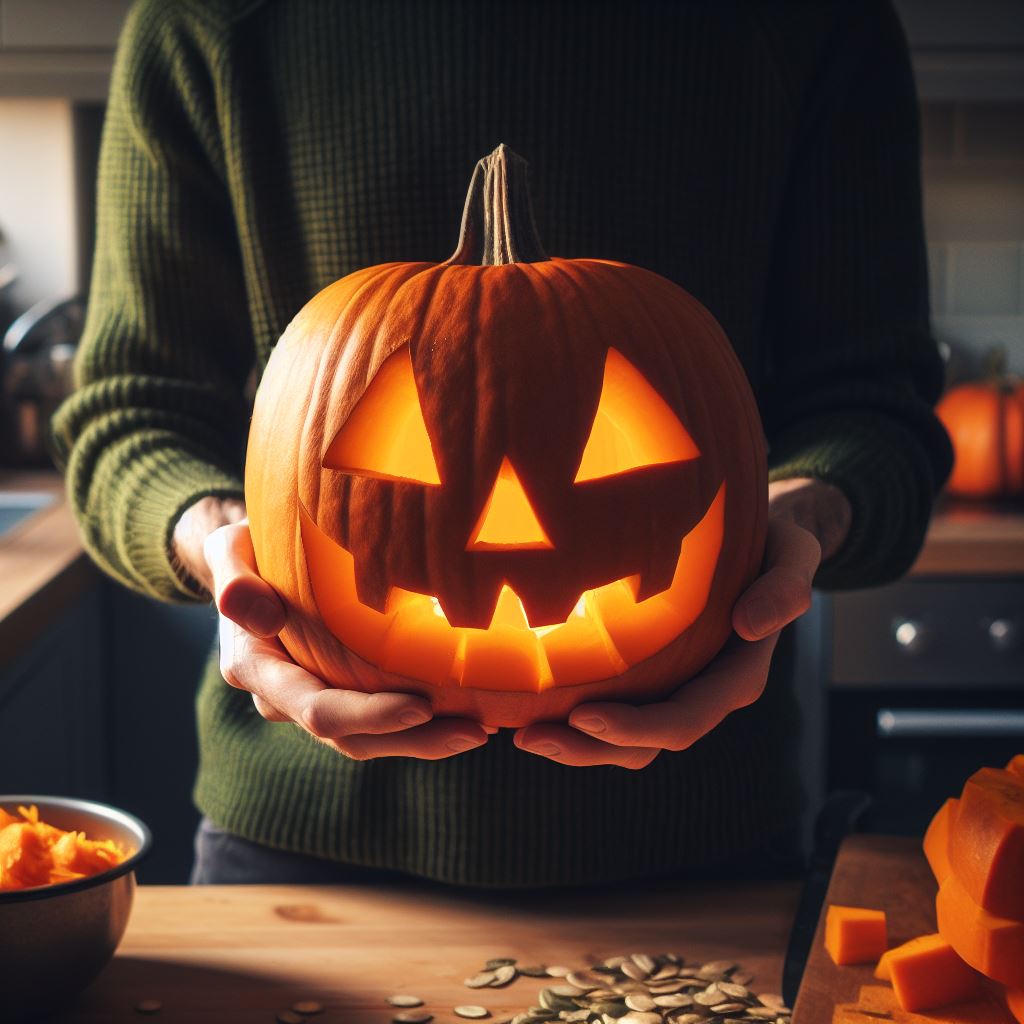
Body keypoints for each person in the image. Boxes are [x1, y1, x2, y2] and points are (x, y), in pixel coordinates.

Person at [52, 0, 952, 887]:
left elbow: (874, 410)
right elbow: (131, 422)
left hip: (701, 851)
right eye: (402, 450)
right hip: (299, 853)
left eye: (611, 445)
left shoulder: (815, 21)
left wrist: (784, 531)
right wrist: (222, 549)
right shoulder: (209, 19)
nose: (505, 527)